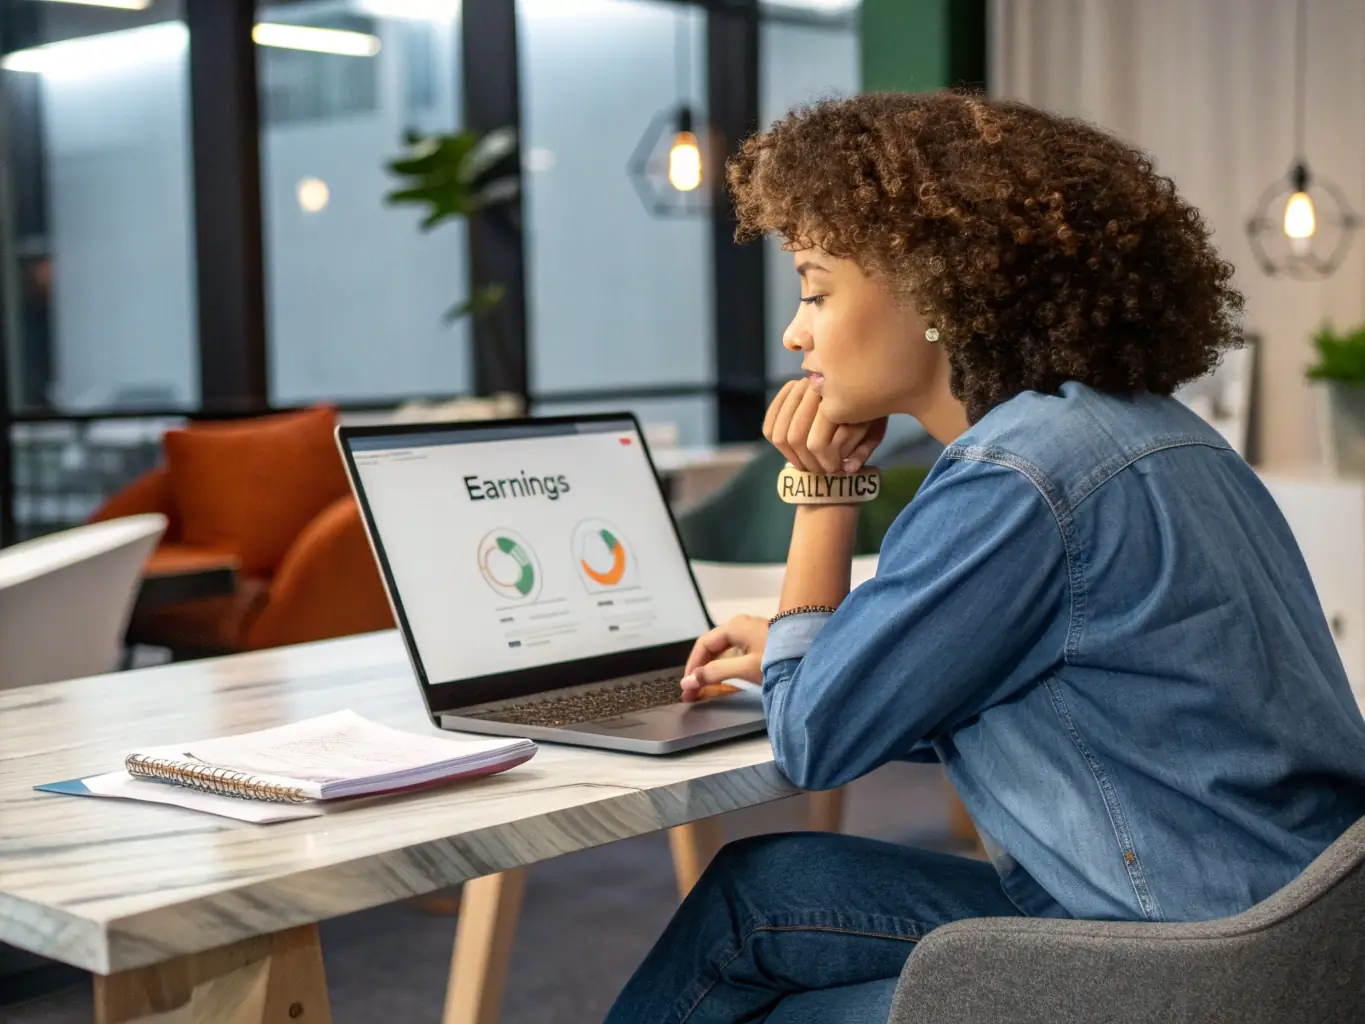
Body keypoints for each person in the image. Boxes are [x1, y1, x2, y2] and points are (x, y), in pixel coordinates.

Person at [603, 91, 1365, 1024]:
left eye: (814, 287)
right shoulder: (1152, 433)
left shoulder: (1014, 479)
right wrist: (827, 649)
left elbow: (818, 742)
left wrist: (824, 489)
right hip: (1296, 929)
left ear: (932, 285)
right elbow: (1068, 688)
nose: (794, 333)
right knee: (764, 885)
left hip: (1183, 960)